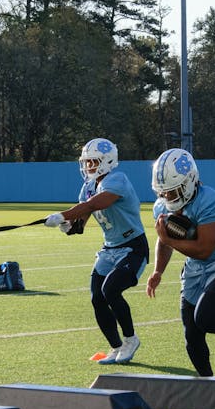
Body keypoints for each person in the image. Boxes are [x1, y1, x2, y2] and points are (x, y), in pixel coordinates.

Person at [145, 148, 215, 377]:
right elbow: (164, 242)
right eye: (163, 193)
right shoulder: (161, 206)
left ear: (190, 182)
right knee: (191, 333)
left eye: (172, 192)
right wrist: (157, 271)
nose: (167, 198)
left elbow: (204, 249)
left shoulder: (208, 199)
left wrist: (166, 239)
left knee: (206, 318)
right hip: (194, 268)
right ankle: (208, 382)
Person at [44, 138, 148, 364]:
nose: (88, 166)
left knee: (110, 289)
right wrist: (68, 226)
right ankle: (116, 347)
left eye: (92, 161)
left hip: (132, 247)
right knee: (97, 298)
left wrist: (64, 215)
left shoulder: (117, 179)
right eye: (87, 161)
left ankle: (131, 339)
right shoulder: (88, 187)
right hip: (109, 248)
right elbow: (80, 224)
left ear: (107, 161)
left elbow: (94, 205)